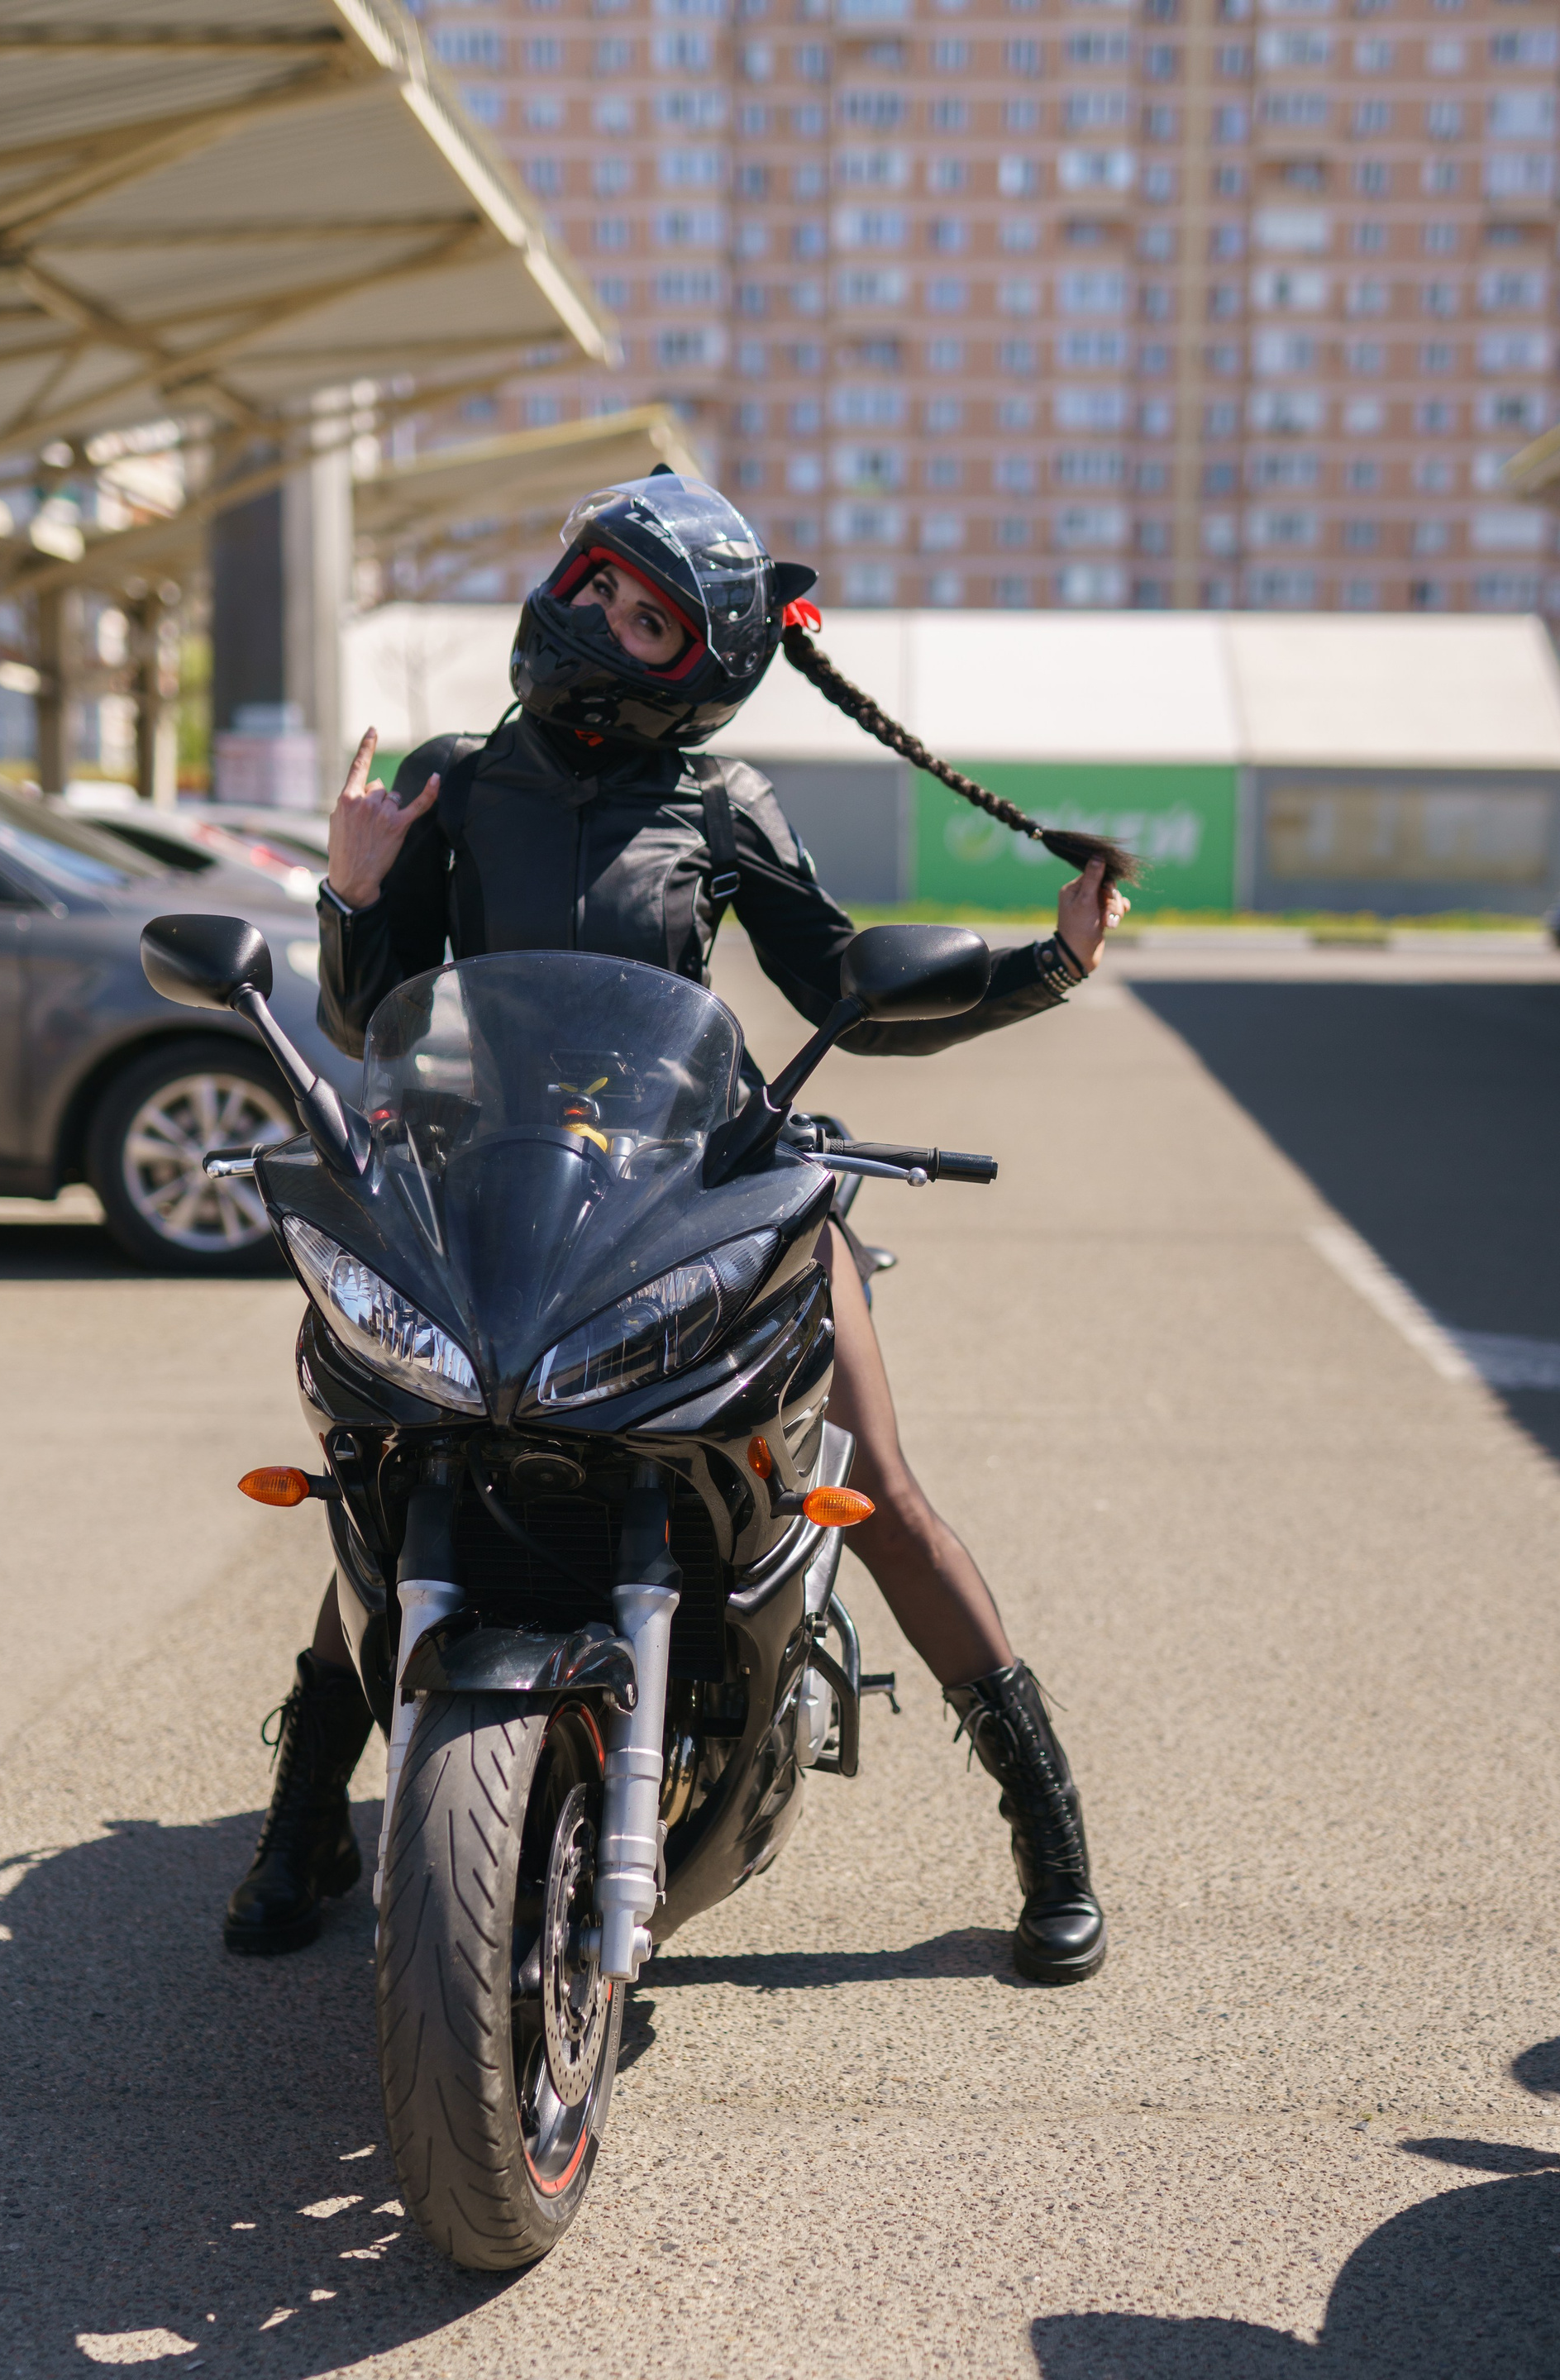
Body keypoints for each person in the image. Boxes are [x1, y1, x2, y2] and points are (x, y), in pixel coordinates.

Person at [226, 472, 1132, 1986]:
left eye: (645, 617)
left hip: (691, 1175)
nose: (600, 619)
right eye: (596, 585)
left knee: (876, 1480)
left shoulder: (721, 805)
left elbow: (845, 984)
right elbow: (367, 1016)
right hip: (490, 1184)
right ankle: (306, 1819)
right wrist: (356, 887)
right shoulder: (456, 783)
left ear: (697, 667)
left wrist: (1048, 965)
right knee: (393, 1462)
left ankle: (1049, 1833)